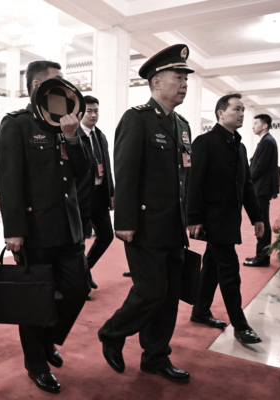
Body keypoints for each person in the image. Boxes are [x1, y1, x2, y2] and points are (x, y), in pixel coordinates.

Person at [98, 44, 194, 384]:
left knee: (168, 297)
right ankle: (112, 332)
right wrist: (124, 221)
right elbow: (125, 173)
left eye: (186, 78)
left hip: (173, 226)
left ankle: (155, 356)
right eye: (178, 77)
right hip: (145, 224)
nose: (184, 84)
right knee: (151, 291)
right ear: (156, 82)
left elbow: (185, 177)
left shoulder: (182, 125)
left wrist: (190, 218)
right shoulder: (137, 118)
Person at [0, 60, 90, 393]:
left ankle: (49, 338)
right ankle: (35, 363)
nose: (64, 87)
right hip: (35, 230)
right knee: (35, 300)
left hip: (68, 228)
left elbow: (83, 171)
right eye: (56, 81)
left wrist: (72, 137)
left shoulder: (66, 122)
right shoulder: (17, 124)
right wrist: (14, 230)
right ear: (37, 86)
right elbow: (8, 180)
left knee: (78, 290)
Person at [187, 93, 264, 344]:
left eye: (243, 110)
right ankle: (240, 325)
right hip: (212, 219)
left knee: (211, 266)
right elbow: (194, 182)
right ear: (221, 113)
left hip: (230, 220)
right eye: (236, 109)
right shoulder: (205, 142)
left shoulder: (240, 147)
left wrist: (257, 217)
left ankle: (200, 310)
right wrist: (193, 217)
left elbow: (246, 185)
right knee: (230, 272)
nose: (241, 114)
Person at [75, 95, 114, 300]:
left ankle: (84, 270)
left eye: (96, 111)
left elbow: (107, 166)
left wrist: (111, 193)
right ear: (81, 113)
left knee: (106, 235)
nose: (93, 115)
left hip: (99, 196)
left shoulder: (101, 135)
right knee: (79, 242)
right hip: (81, 197)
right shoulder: (73, 135)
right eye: (89, 111)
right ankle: (81, 283)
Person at [244, 114, 279, 267]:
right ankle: (261, 255)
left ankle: (262, 257)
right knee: (261, 221)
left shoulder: (267, 141)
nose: (253, 126)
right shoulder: (266, 141)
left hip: (261, 188)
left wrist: (247, 181)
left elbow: (259, 166)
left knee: (262, 222)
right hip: (262, 187)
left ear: (265, 126)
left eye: (256, 123)